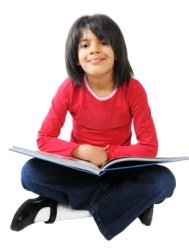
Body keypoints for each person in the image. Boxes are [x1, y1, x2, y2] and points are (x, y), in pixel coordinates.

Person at [10, 14, 176, 240]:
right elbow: (44, 139)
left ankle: (55, 212)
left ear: (117, 51)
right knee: (30, 173)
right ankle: (132, 204)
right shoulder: (69, 88)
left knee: (164, 180)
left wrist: (109, 155)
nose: (94, 50)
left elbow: (149, 147)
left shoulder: (133, 89)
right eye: (85, 45)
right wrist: (80, 151)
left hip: (119, 171)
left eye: (104, 42)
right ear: (77, 58)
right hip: (80, 170)